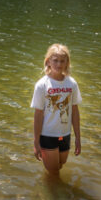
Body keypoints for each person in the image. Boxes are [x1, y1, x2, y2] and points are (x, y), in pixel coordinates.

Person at [31, 43, 82, 176]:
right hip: (47, 134)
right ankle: (54, 195)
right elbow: (38, 115)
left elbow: (75, 111)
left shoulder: (71, 83)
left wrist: (78, 137)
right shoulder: (42, 85)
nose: (59, 64)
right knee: (53, 172)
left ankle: (53, 188)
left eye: (62, 61)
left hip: (64, 134)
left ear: (67, 63)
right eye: (55, 60)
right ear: (48, 62)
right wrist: (36, 142)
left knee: (60, 165)